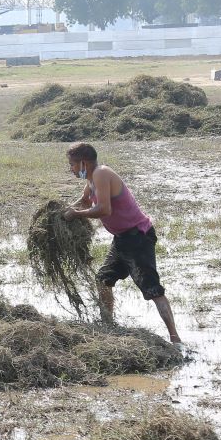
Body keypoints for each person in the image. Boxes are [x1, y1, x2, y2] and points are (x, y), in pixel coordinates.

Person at [62, 141, 181, 345]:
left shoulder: (101, 173)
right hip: (121, 239)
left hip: (138, 238)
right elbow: (83, 202)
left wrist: (76, 215)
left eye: (72, 164)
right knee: (103, 280)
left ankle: (175, 338)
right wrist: (62, 213)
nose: (71, 169)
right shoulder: (90, 180)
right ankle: (108, 325)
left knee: (152, 289)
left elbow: (104, 209)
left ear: (83, 163)